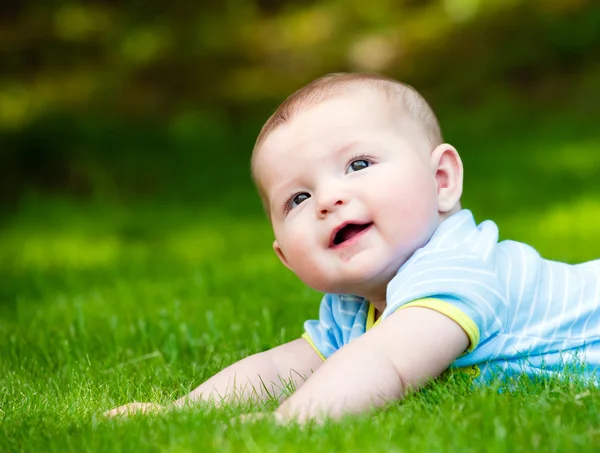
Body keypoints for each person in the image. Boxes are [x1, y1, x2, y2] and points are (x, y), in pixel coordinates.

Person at [105, 72, 600, 422]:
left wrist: (290, 422)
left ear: (441, 179)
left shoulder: (458, 266)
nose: (328, 199)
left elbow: (388, 363)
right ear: (284, 256)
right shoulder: (351, 307)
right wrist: (182, 412)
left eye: (358, 165)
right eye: (297, 198)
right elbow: (283, 367)